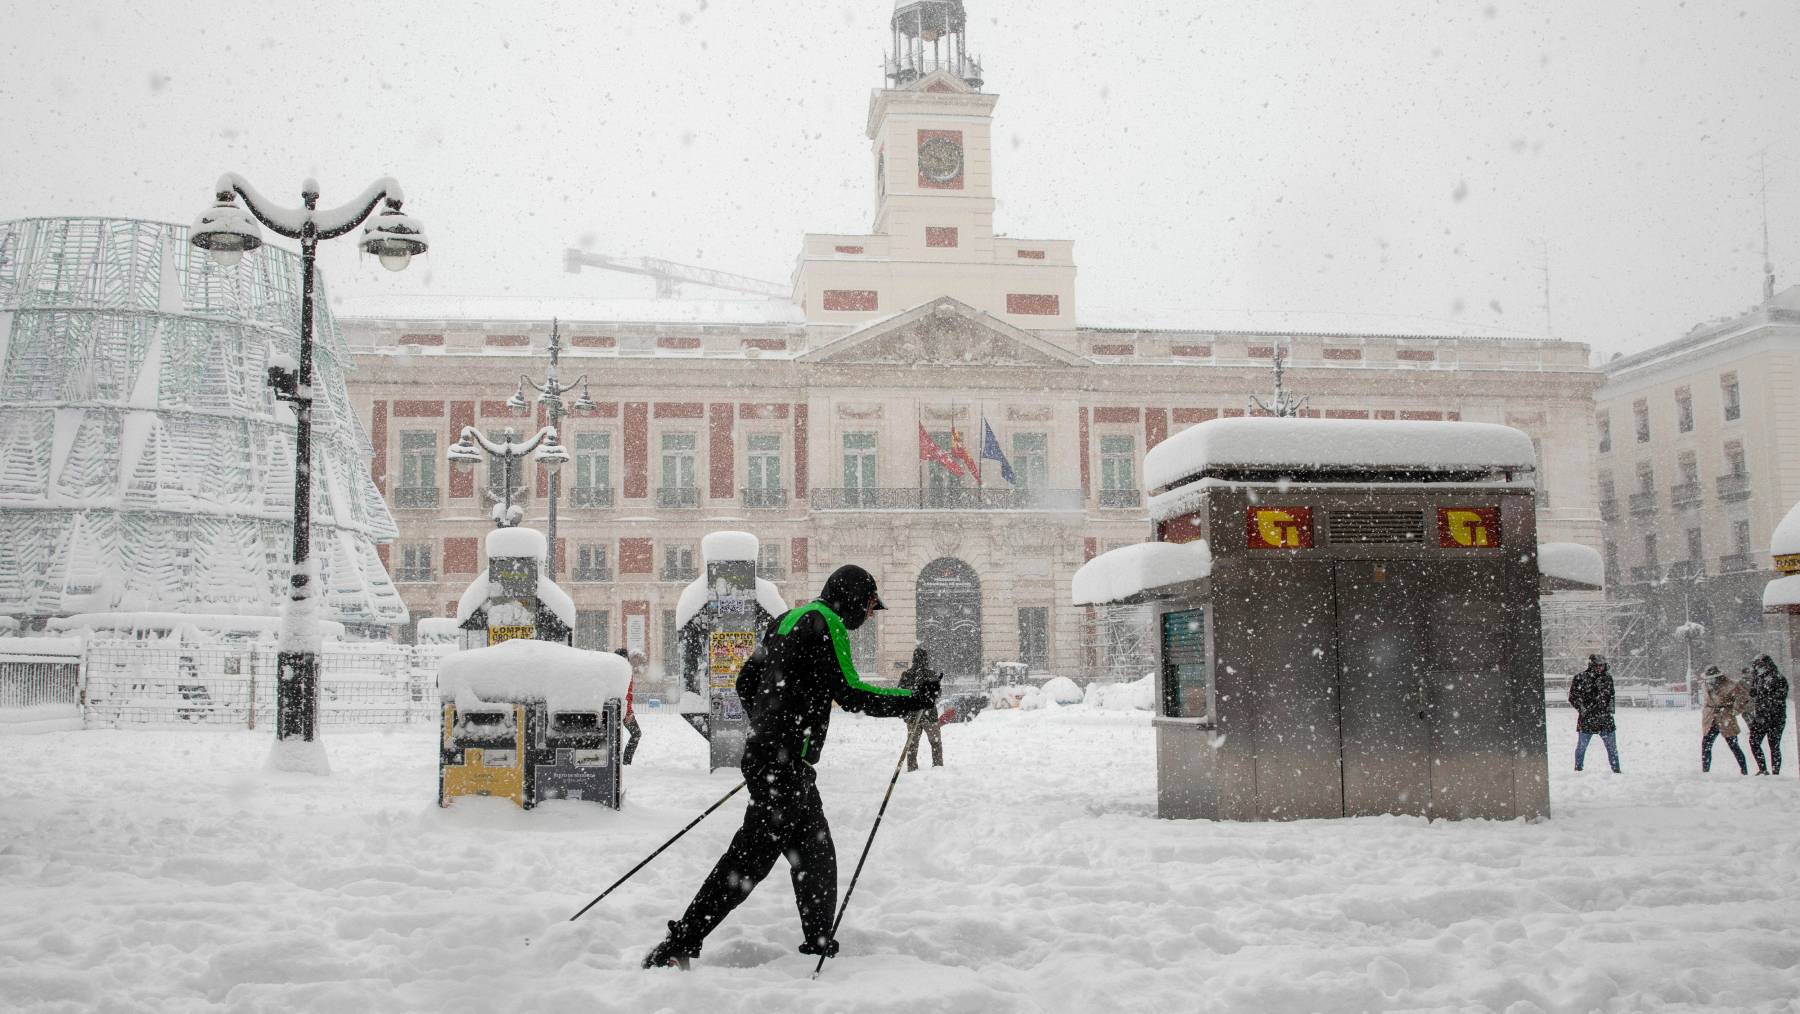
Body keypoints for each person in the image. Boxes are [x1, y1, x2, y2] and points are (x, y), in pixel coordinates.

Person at [642, 565, 935, 970]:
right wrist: (912, 698)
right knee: (749, 860)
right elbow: (851, 693)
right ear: (850, 597)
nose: (869, 616)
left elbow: (746, 682)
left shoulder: (787, 619)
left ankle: (818, 942)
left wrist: (767, 729)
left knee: (815, 854)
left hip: (780, 762)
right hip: (782, 765)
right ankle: (680, 943)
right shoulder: (827, 621)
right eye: (869, 607)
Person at [1568, 654, 1620, 773]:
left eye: (1602, 665)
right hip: (1587, 719)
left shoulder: (1608, 678)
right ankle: (1578, 769)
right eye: (1598, 665)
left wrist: (1610, 710)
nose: (1600, 668)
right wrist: (1583, 709)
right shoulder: (1580, 677)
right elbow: (1573, 697)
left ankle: (1616, 770)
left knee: (1612, 748)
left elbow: (1611, 695)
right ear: (1592, 665)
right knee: (1581, 747)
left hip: (1605, 718)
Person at [899, 646, 944, 771]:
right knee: (935, 742)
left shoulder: (907, 674)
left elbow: (900, 694)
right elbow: (938, 693)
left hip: (913, 715)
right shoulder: (931, 674)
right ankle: (938, 766)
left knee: (912, 744)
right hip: (929, 715)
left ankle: (912, 768)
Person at [1700, 664, 1752, 775]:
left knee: (1734, 746)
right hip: (1710, 719)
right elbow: (1706, 700)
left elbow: (1743, 699)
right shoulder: (1705, 685)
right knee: (1706, 745)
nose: (1710, 680)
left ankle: (1744, 771)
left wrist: (1735, 710)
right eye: (1708, 678)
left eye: (1712, 678)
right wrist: (1706, 711)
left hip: (1726, 718)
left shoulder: (1731, 685)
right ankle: (1705, 771)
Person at [1746, 654, 1789, 776]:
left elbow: (1780, 697)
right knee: (1754, 741)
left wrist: (1765, 700)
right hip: (1761, 717)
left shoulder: (1779, 678)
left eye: (1760, 666)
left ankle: (1776, 773)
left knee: (1774, 745)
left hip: (1775, 717)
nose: (1758, 669)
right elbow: (1753, 693)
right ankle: (1762, 768)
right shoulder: (1758, 678)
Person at [613, 647, 642, 765]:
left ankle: (619, 761)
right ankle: (625, 761)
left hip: (616, 709)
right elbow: (627, 695)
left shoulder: (615, 671)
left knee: (614, 737)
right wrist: (629, 712)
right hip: (623, 710)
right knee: (636, 733)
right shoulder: (624, 672)